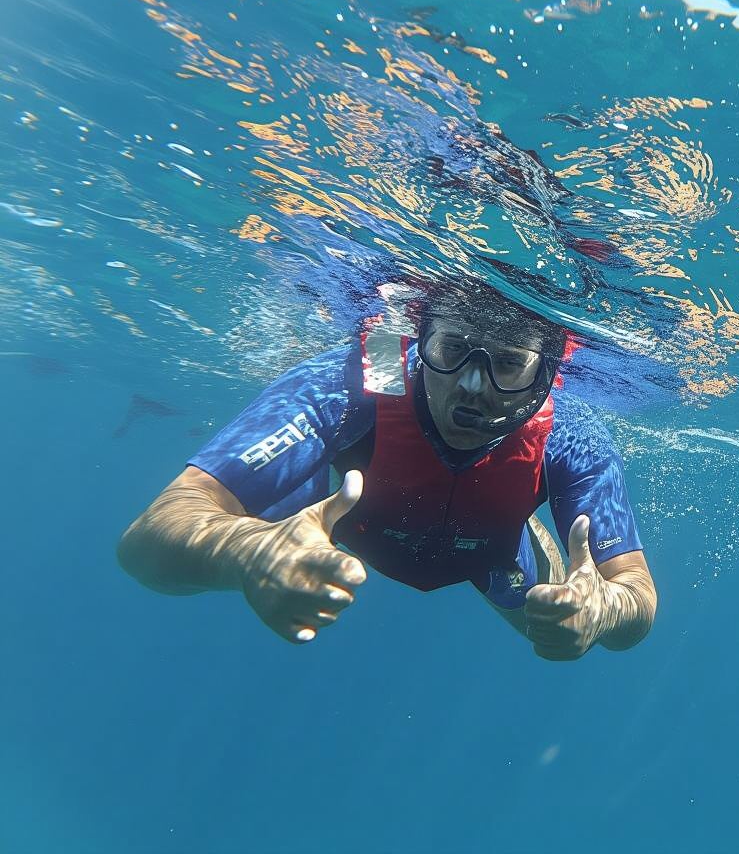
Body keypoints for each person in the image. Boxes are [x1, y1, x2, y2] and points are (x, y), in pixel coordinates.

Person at [117, 278, 657, 660]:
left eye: (508, 363)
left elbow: (635, 595)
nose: (471, 384)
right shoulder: (360, 378)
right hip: (341, 519)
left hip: (491, 552)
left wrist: (605, 608)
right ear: (420, 344)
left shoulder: (570, 431)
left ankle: (525, 543)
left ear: (547, 375)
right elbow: (147, 541)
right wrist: (246, 552)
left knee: (558, 626)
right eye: (451, 350)